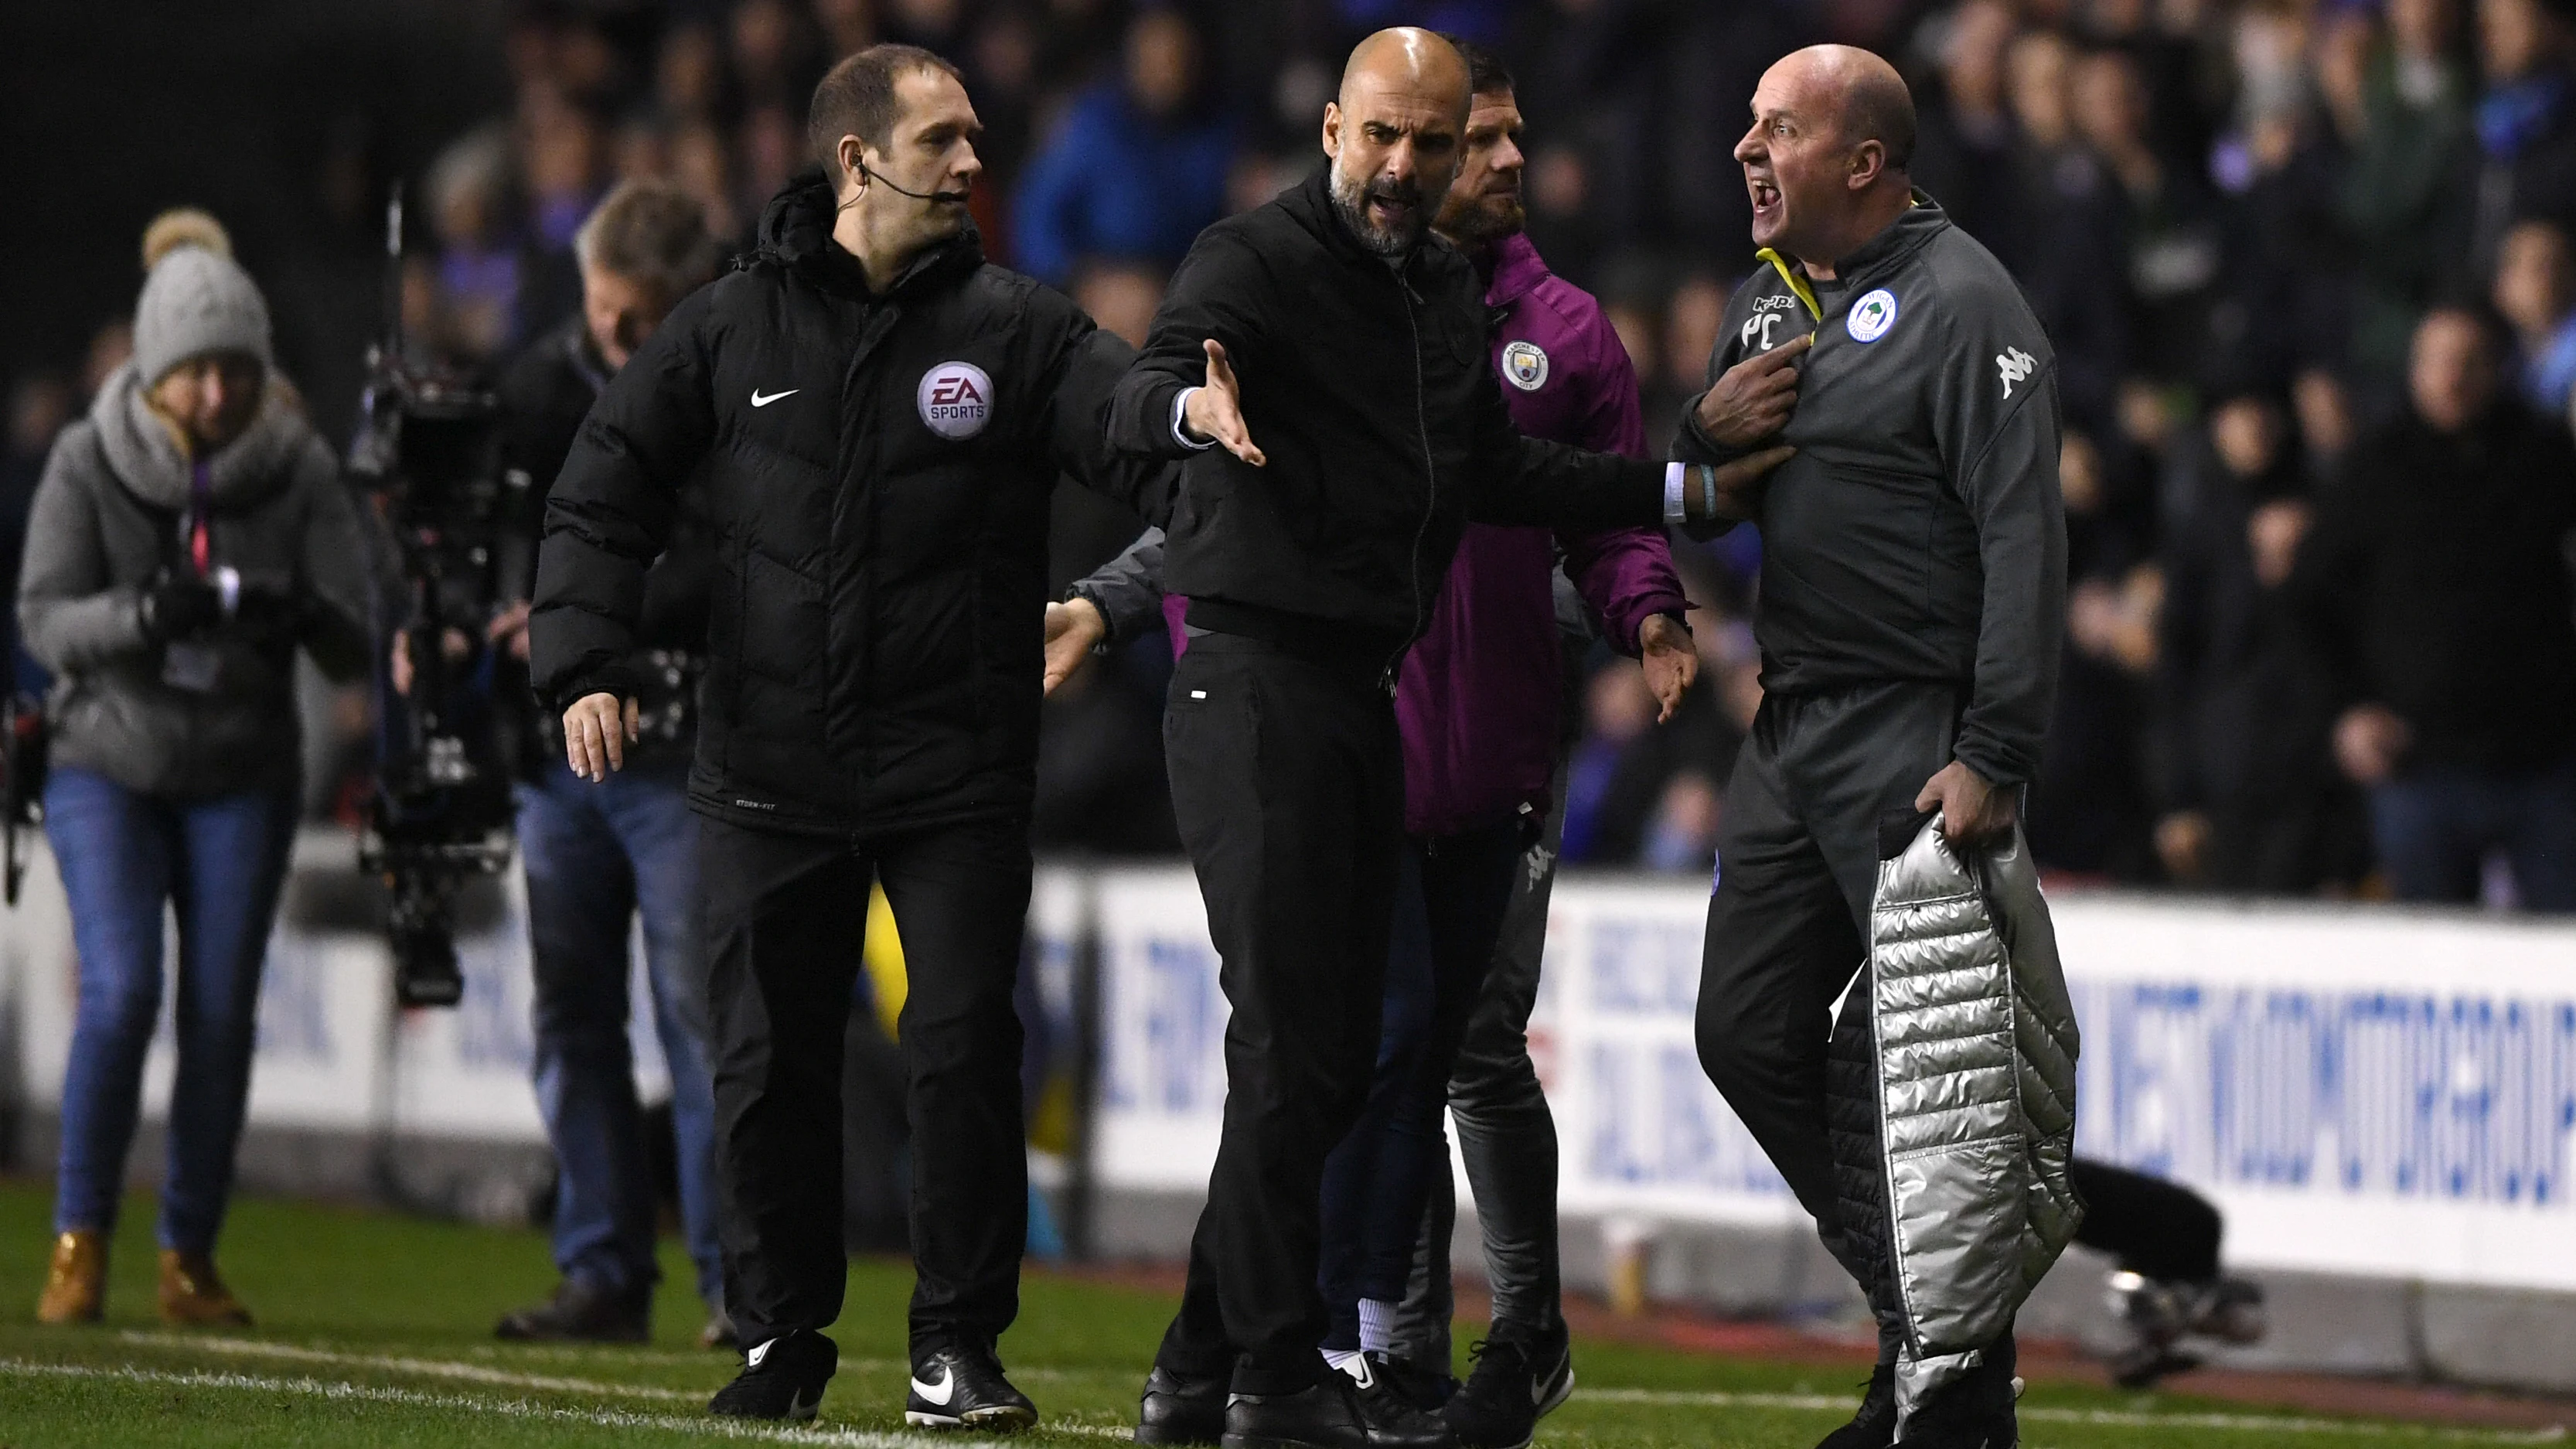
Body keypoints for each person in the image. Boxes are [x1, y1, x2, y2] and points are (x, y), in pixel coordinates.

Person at [1096, 28, 1775, 1449]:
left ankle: (1201, 1361)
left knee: (1338, 1054)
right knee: (1314, 1047)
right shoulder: (1255, 261)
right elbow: (1138, 387)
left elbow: (1503, 472)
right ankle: (1286, 1371)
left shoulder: (1439, 307)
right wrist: (1182, 409)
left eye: (1435, 141)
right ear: (1335, 128)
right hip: (1255, 683)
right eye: (1389, 138)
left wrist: (1677, 493)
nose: (1408, 166)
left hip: (1366, 699)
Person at [530, 44, 1170, 1425]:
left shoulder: (1017, 326)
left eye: (975, 138)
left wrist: (1184, 409)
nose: (971, 163)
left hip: (956, 768)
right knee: (764, 1064)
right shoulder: (723, 328)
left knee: (960, 1051)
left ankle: (956, 1342)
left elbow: (1123, 416)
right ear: (857, 161)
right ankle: (778, 1338)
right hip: (766, 767)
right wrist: (580, 657)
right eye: (944, 139)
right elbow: (600, 491)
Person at [1674, 46, 2069, 1449]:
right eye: (1745, 120)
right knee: (1742, 1028)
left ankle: (1957, 1395)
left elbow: (2026, 532)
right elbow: (1698, 506)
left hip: (1913, 733)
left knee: (1934, 1080)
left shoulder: (1967, 303)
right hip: (1789, 729)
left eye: (1776, 126)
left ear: (1864, 161)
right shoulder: (1764, 302)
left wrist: (1996, 745)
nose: (1743, 148)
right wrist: (1695, 441)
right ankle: (1925, 1331)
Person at [20, 210, 376, 1327]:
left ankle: (191, 1253)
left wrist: (306, 614)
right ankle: (80, 1241)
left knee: (221, 1011)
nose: (219, 395)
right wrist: (139, 613)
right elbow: (40, 620)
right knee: (121, 991)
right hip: (106, 762)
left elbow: (358, 631)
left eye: (237, 371)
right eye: (197, 373)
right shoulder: (88, 456)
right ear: (154, 366)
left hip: (240, 767)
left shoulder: (300, 466)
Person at [481, 180, 732, 1347]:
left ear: (692, 295)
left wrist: (578, 618)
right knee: (571, 1009)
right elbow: (491, 537)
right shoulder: (535, 388)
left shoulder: (739, 384)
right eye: (604, 313)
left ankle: (740, 1288)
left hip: (683, 743)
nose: (619, 340)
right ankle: (601, 1272)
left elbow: (743, 554)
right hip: (561, 758)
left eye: (642, 318)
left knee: (703, 1013)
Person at [2296, 305, 2576, 911]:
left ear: (2498, 370)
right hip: (2417, 771)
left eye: (2469, 362)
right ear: (2414, 369)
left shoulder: (2548, 458)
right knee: (2434, 968)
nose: (2452, 377)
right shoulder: (2373, 468)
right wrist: (2346, 712)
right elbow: (2307, 605)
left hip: (2541, 764)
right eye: (2438, 361)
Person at [1010, 7, 1235, 288]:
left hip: (1178, 288)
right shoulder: (1089, 123)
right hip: (1095, 285)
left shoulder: (1213, 132)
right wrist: (1082, 282)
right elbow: (1035, 221)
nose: (1166, 73)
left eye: (1176, 59)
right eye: (1153, 58)